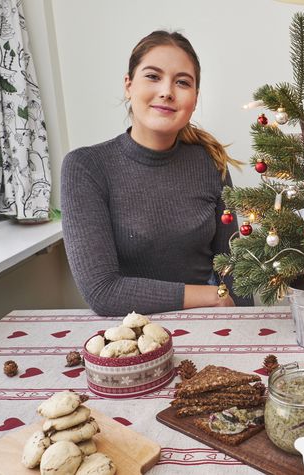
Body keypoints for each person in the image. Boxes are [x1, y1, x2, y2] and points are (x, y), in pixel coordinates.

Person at [61, 30, 252, 316]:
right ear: (128, 85)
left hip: (209, 322)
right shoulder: (85, 167)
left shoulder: (211, 161)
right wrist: (212, 296)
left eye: (182, 82)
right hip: (130, 331)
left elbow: (234, 271)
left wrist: (244, 332)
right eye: (153, 76)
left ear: (195, 98)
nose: (166, 91)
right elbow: (102, 292)